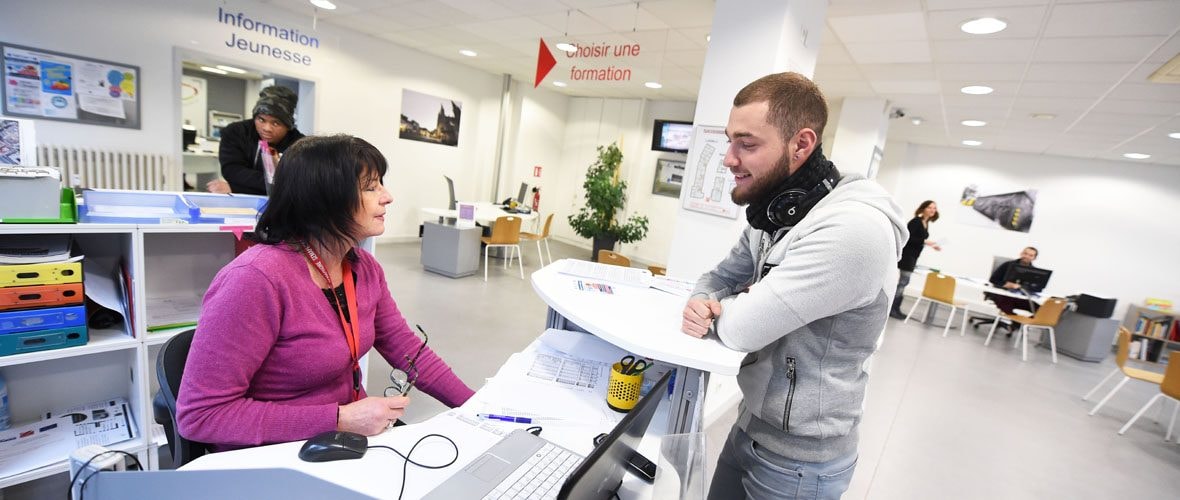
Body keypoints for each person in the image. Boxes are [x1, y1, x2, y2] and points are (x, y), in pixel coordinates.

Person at [680, 73, 906, 500]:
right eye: (729, 142)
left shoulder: (853, 230)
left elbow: (742, 329)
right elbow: (718, 278)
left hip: (802, 463)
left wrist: (732, 307)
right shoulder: (776, 211)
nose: (728, 159)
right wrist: (704, 300)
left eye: (747, 144)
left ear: (801, 144)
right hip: (751, 423)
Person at [177, 135, 474, 451]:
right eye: (370, 187)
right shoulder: (255, 280)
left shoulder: (364, 268)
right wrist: (339, 419)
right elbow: (201, 416)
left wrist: (477, 407)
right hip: (277, 451)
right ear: (323, 199)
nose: (387, 197)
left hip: (341, 437)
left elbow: (407, 349)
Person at [207, 85, 306, 195]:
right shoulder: (235, 132)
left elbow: (296, 185)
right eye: (261, 120)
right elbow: (232, 171)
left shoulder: (302, 146)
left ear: (288, 126)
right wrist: (276, 184)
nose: (267, 128)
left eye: (276, 123)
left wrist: (236, 188)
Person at [889, 200, 942, 319]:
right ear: (923, 209)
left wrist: (931, 245)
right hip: (907, 257)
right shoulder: (916, 221)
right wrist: (925, 241)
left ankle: (895, 308)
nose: (932, 210)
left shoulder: (925, 222)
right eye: (929, 207)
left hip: (913, 257)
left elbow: (918, 240)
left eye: (934, 208)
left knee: (904, 283)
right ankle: (892, 309)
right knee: (903, 283)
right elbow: (908, 238)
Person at [985, 247, 1041, 332]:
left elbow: (1037, 287)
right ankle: (1017, 324)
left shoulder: (1035, 271)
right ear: (1021, 254)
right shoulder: (1007, 265)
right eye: (1025, 253)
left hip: (1019, 297)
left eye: (1030, 255)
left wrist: (1027, 287)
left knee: (1040, 309)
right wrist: (1005, 284)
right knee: (1005, 303)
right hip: (1003, 294)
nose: (1027, 256)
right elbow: (993, 279)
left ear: (1034, 258)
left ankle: (1022, 324)